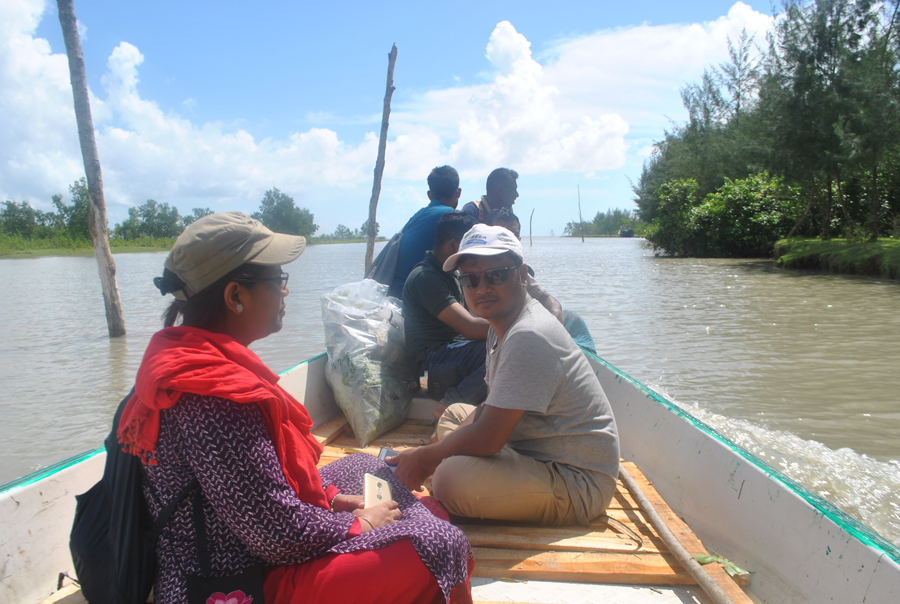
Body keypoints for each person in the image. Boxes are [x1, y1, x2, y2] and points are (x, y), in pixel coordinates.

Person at [118, 212, 473, 604]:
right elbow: (278, 536)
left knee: (365, 468)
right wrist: (357, 524)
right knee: (442, 543)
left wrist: (334, 499)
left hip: (251, 544)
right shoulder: (214, 398)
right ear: (235, 295)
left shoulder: (194, 361)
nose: (285, 292)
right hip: (233, 579)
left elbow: (262, 491)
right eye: (278, 281)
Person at [390, 224, 619, 527]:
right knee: (456, 415)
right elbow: (487, 410)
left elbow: (488, 438)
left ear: (522, 275)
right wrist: (429, 453)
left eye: (495, 275)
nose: (481, 288)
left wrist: (425, 459)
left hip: (576, 482)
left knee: (448, 479)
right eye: (470, 280)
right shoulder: (500, 327)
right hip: (530, 450)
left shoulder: (529, 334)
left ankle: (463, 476)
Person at [402, 211, 489, 407]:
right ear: (453, 246)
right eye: (471, 246)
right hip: (427, 375)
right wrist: (516, 326)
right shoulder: (425, 277)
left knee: (507, 346)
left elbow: (480, 318)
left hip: (451, 360)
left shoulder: (451, 275)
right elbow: (470, 328)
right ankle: (449, 406)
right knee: (498, 349)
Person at [485, 208, 596, 353]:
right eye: (502, 235)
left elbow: (548, 299)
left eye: (514, 235)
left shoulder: (517, 270)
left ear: (519, 241)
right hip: (495, 333)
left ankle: (586, 365)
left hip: (524, 327)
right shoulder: (477, 271)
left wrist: (553, 328)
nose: (509, 240)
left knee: (572, 318)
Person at [388, 165, 462, 299]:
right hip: (410, 299)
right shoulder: (449, 217)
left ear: (429, 195)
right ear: (458, 193)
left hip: (395, 292)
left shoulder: (418, 216)